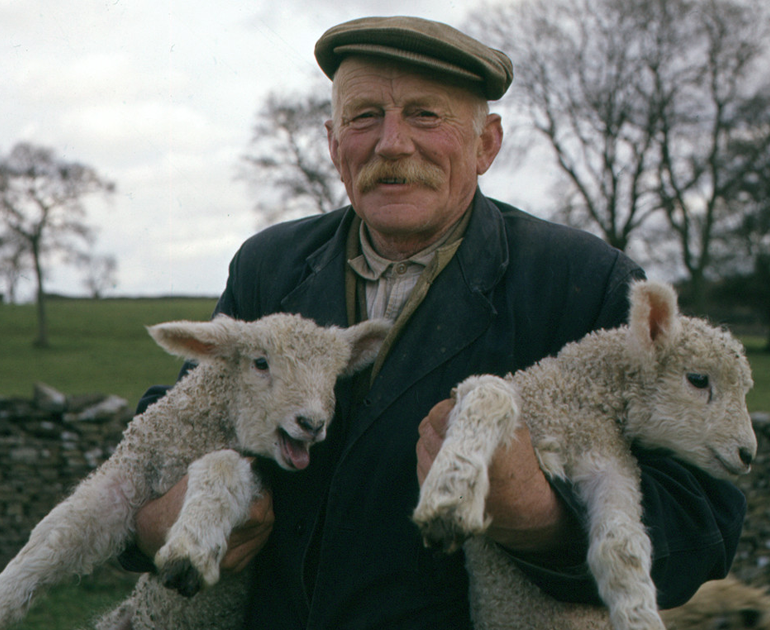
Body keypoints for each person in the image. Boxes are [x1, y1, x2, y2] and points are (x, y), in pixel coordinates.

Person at [123, 16, 747, 629]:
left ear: (487, 145)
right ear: (333, 142)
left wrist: (542, 516)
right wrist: (154, 522)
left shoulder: (581, 280)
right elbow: (185, 416)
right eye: (364, 115)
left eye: (426, 114)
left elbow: (704, 520)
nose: (392, 142)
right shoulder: (269, 265)